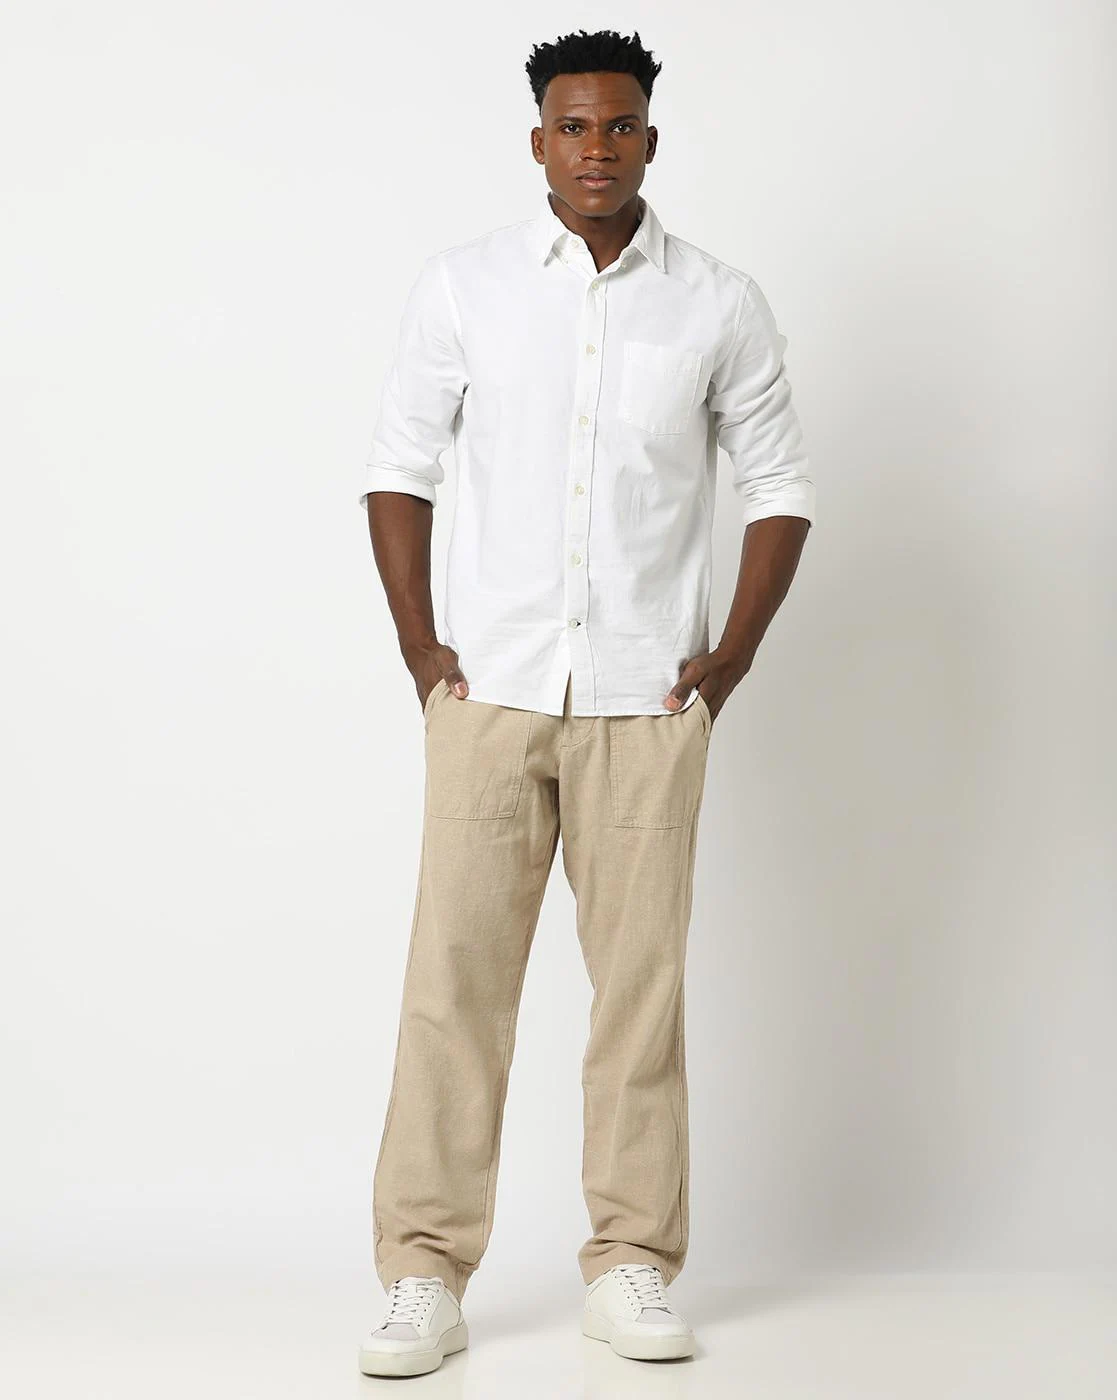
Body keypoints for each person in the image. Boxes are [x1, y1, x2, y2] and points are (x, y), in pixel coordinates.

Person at [355, 27, 815, 1377]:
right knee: (453, 987)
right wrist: (420, 646)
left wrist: (733, 653)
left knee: (639, 997)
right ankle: (422, 1270)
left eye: (618, 126)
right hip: (490, 693)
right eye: (572, 126)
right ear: (538, 141)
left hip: (645, 702)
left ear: (650, 141)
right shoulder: (466, 287)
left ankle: (631, 1264)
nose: (595, 149)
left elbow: (780, 484)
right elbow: (399, 465)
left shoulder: (720, 303)